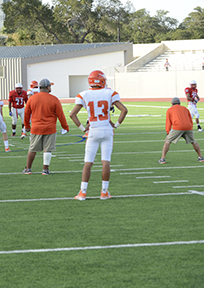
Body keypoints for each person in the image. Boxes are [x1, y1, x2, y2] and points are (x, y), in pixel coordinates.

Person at [69, 70, 128, 201]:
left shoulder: (83, 94)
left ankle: (83, 192)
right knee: (105, 161)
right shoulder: (110, 93)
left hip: (93, 130)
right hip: (107, 130)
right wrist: (116, 125)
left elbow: (72, 114)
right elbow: (124, 110)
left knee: (88, 162)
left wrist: (83, 128)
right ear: (102, 80)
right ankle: (104, 192)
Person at [22, 79, 69, 176]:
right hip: (50, 128)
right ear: (48, 87)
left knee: (32, 149)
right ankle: (45, 169)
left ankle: (28, 168)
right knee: (47, 149)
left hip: (36, 127)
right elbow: (61, 115)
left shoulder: (32, 98)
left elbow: (26, 114)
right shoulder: (54, 99)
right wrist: (65, 127)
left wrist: (27, 126)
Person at [158, 97, 204, 164]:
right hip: (188, 127)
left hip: (178, 127)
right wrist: (190, 127)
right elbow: (190, 119)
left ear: (172, 103)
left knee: (167, 141)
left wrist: (168, 133)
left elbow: (168, 123)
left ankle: (163, 159)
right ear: (179, 103)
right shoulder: (185, 109)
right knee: (193, 141)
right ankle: (200, 157)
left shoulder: (170, 110)